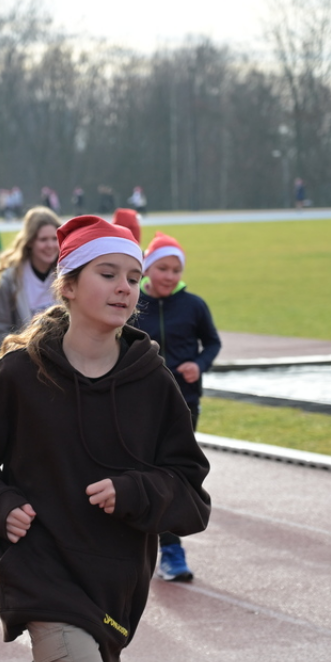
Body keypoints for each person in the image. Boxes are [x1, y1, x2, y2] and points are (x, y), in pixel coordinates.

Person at [0, 215, 212, 662]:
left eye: (133, 277)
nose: (125, 287)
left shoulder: (152, 381)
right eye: (108, 273)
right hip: (42, 577)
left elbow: (191, 494)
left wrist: (135, 491)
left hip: (113, 585)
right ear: (68, 284)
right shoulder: (19, 374)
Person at [131, 232, 222, 583]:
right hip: (141, 404)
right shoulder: (133, 302)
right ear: (148, 269)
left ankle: (168, 547)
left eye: (175, 269)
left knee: (175, 475)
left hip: (185, 402)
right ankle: (155, 547)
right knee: (147, 472)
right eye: (162, 268)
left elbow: (212, 342)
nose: (169, 276)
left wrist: (199, 364)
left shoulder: (194, 305)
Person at [0, 208, 61, 357]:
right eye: (43, 240)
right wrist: (18, 358)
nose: (50, 245)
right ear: (30, 242)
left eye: (54, 239)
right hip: (26, 362)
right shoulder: (11, 280)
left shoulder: (66, 274)